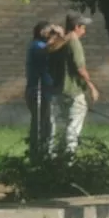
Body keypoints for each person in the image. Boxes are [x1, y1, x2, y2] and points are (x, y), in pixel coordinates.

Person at [48, 11, 100, 156]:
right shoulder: (73, 42)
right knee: (73, 126)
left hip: (58, 90)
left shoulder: (59, 42)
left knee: (62, 126)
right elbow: (80, 68)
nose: (84, 30)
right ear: (76, 27)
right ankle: (69, 157)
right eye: (83, 27)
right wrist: (92, 86)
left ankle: (56, 157)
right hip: (74, 90)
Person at [24, 21, 64, 161]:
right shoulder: (37, 46)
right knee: (42, 124)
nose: (52, 35)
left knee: (45, 123)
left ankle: (42, 153)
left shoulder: (38, 45)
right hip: (38, 90)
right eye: (49, 32)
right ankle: (40, 155)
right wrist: (61, 36)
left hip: (44, 90)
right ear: (42, 32)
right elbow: (50, 49)